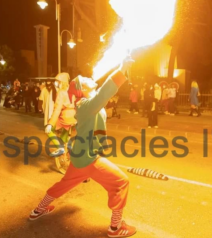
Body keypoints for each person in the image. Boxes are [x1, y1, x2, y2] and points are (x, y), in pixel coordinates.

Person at [29, 57, 136, 238]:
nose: (87, 78)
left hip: (80, 155)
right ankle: (115, 228)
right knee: (121, 182)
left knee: (63, 184)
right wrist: (123, 68)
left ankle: (37, 210)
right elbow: (105, 93)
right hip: (88, 157)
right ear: (82, 90)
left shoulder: (89, 103)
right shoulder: (86, 105)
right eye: (83, 80)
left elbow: (102, 94)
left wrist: (121, 68)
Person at [44, 73, 76, 156]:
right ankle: (66, 148)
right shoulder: (74, 90)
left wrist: (50, 124)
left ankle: (60, 148)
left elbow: (57, 109)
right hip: (75, 117)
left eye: (57, 81)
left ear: (61, 81)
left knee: (49, 130)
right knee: (65, 131)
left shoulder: (61, 92)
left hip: (65, 117)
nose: (56, 83)